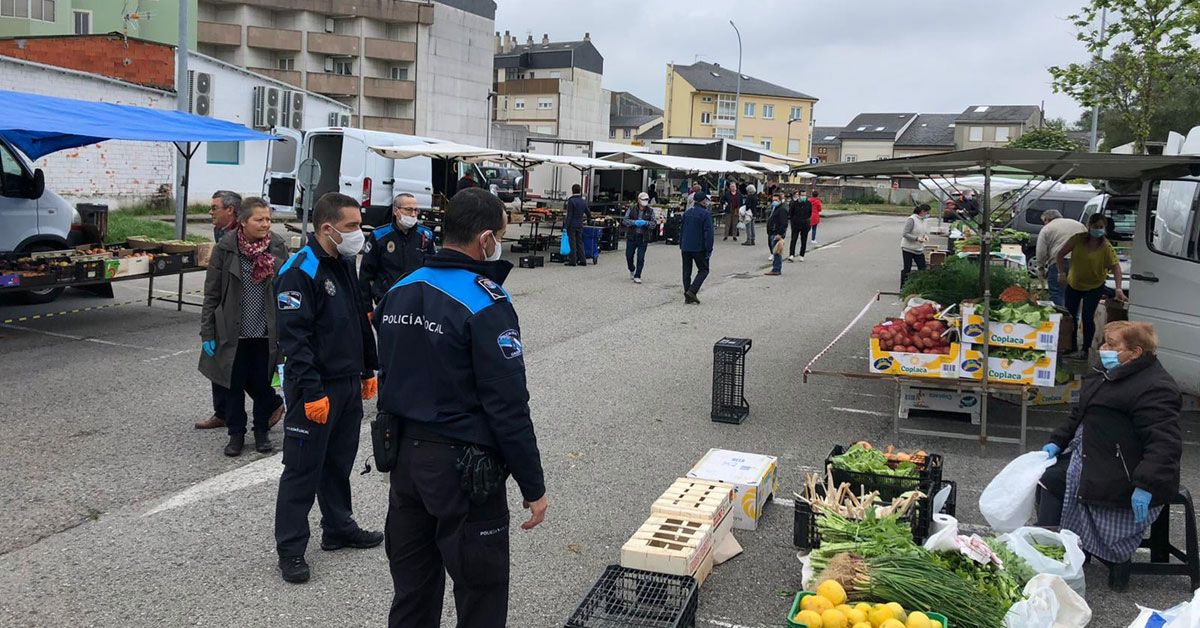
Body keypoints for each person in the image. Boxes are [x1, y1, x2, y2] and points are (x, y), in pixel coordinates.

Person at [375, 187, 547, 627]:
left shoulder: (400, 290)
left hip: (406, 466)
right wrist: (533, 485)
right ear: (485, 239)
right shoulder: (485, 300)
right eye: (500, 236)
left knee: (412, 594)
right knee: (481, 596)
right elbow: (508, 405)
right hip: (464, 472)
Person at [273, 192, 382, 584]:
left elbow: (357, 315)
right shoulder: (300, 270)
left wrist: (369, 367)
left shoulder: (344, 261)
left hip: (348, 384)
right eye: (352, 227)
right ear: (327, 228)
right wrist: (312, 390)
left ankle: (338, 527)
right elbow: (294, 339)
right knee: (302, 470)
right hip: (314, 389)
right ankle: (290, 550)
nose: (360, 234)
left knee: (339, 462)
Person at [1036, 321, 1182, 573]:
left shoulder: (1155, 387)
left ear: (1135, 352)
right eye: (1104, 343)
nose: (1104, 349)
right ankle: (1051, 552)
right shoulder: (1104, 374)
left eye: (1112, 345)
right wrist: (1056, 441)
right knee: (1046, 479)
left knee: (1055, 480)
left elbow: (1164, 443)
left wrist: (1146, 483)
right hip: (1094, 454)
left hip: (1126, 469)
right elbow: (1078, 415)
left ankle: (1054, 559)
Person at [199, 197, 287, 456]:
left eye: (268, 219)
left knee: (261, 385)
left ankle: (261, 432)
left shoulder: (277, 246)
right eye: (259, 219)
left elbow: (287, 288)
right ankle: (235, 434)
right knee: (232, 385)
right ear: (243, 222)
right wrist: (208, 331)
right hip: (232, 331)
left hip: (265, 330)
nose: (265, 224)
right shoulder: (226, 248)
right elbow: (212, 294)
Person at [196, 190, 245, 431]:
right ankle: (222, 412)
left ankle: (271, 403)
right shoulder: (220, 232)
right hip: (220, 306)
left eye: (215, 207)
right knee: (217, 360)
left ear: (231, 210)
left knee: (242, 365)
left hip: (240, 310)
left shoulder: (243, 235)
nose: (211, 212)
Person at [1057, 213, 1126, 357]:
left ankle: (1085, 349)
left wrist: (1118, 288)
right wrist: (1061, 273)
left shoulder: (1106, 246)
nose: (1098, 230)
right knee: (1070, 316)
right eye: (1095, 227)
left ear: (1105, 228)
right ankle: (1071, 345)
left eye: (1101, 227)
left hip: (1094, 286)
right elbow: (1060, 254)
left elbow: (1116, 267)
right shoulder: (1078, 239)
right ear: (1089, 226)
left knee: (1087, 317)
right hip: (1074, 284)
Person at [359, 192, 436, 312]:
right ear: (396, 211)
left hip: (416, 302)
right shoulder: (379, 236)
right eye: (408, 210)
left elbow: (433, 271)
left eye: (416, 210)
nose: (413, 214)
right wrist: (367, 308)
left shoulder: (426, 236)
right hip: (387, 300)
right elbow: (366, 275)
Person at [1035, 209, 1086, 308]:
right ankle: (1075, 319)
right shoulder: (1079, 225)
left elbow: (1041, 252)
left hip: (1059, 263)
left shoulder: (1047, 228)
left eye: (1043, 221)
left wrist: (1041, 267)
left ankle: (1062, 318)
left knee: (1057, 292)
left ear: (1047, 219)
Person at [680, 191, 714, 304]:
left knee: (686, 271)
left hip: (685, 246)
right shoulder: (705, 214)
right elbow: (708, 233)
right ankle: (692, 291)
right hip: (698, 247)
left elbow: (682, 229)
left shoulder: (687, 213)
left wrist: (681, 243)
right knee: (704, 269)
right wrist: (709, 248)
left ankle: (687, 294)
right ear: (703, 201)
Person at [623, 192, 655, 283]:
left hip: (643, 237)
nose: (645, 201)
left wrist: (646, 223)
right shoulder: (632, 209)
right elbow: (625, 220)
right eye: (643, 199)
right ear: (638, 200)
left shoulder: (650, 211)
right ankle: (631, 268)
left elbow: (654, 223)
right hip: (632, 236)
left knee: (641, 257)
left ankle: (638, 275)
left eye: (646, 200)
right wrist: (634, 222)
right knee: (629, 255)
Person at [900, 204, 930, 286]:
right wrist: (916, 238)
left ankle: (919, 285)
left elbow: (924, 231)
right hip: (908, 248)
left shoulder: (924, 220)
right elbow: (905, 234)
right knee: (907, 269)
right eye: (927, 212)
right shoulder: (912, 219)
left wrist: (925, 236)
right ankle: (903, 287)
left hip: (919, 248)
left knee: (922, 268)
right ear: (922, 211)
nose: (928, 214)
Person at [563, 184, 589, 267]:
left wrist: (566, 226)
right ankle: (583, 260)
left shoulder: (571, 201)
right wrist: (589, 219)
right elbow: (588, 212)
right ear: (580, 190)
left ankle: (573, 260)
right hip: (580, 224)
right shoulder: (583, 201)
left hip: (572, 225)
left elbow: (569, 215)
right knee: (580, 242)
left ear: (572, 190)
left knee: (572, 242)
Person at [765, 191, 790, 276]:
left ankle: (776, 269)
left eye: (776, 200)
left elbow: (784, 223)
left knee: (777, 252)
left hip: (776, 233)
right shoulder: (775, 208)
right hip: (772, 232)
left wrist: (780, 234)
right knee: (775, 251)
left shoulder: (782, 209)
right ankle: (776, 268)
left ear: (780, 200)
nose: (774, 202)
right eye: (773, 200)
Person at [787, 191, 812, 262]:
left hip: (805, 224)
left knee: (804, 240)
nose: (804, 196)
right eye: (802, 195)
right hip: (796, 224)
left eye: (805, 195)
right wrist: (793, 220)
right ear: (799, 196)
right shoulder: (794, 203)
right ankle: (791, 254)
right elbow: (791, 213)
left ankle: (802, 255)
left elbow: (810, 213)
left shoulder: (808, 203)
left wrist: (806, 220)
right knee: (794, 239)